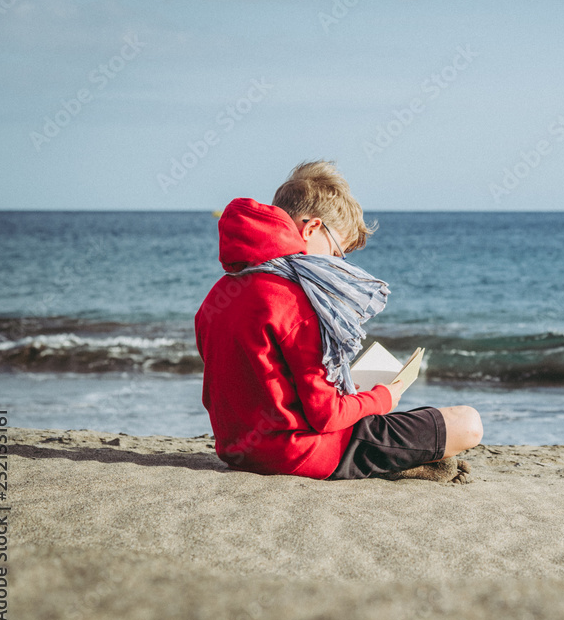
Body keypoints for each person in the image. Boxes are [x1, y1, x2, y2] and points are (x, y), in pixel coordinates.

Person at [195, 160, 482, 481]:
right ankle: (398, 462)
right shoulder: (295, 298)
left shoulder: (218, 295)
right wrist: (383, 398)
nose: (336, 266)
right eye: (336, 254)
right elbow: (325, 416)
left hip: (237, 450)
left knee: (396, 420)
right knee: (467, 423)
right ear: (312, 229)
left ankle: (399, 459)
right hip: (302, 452)